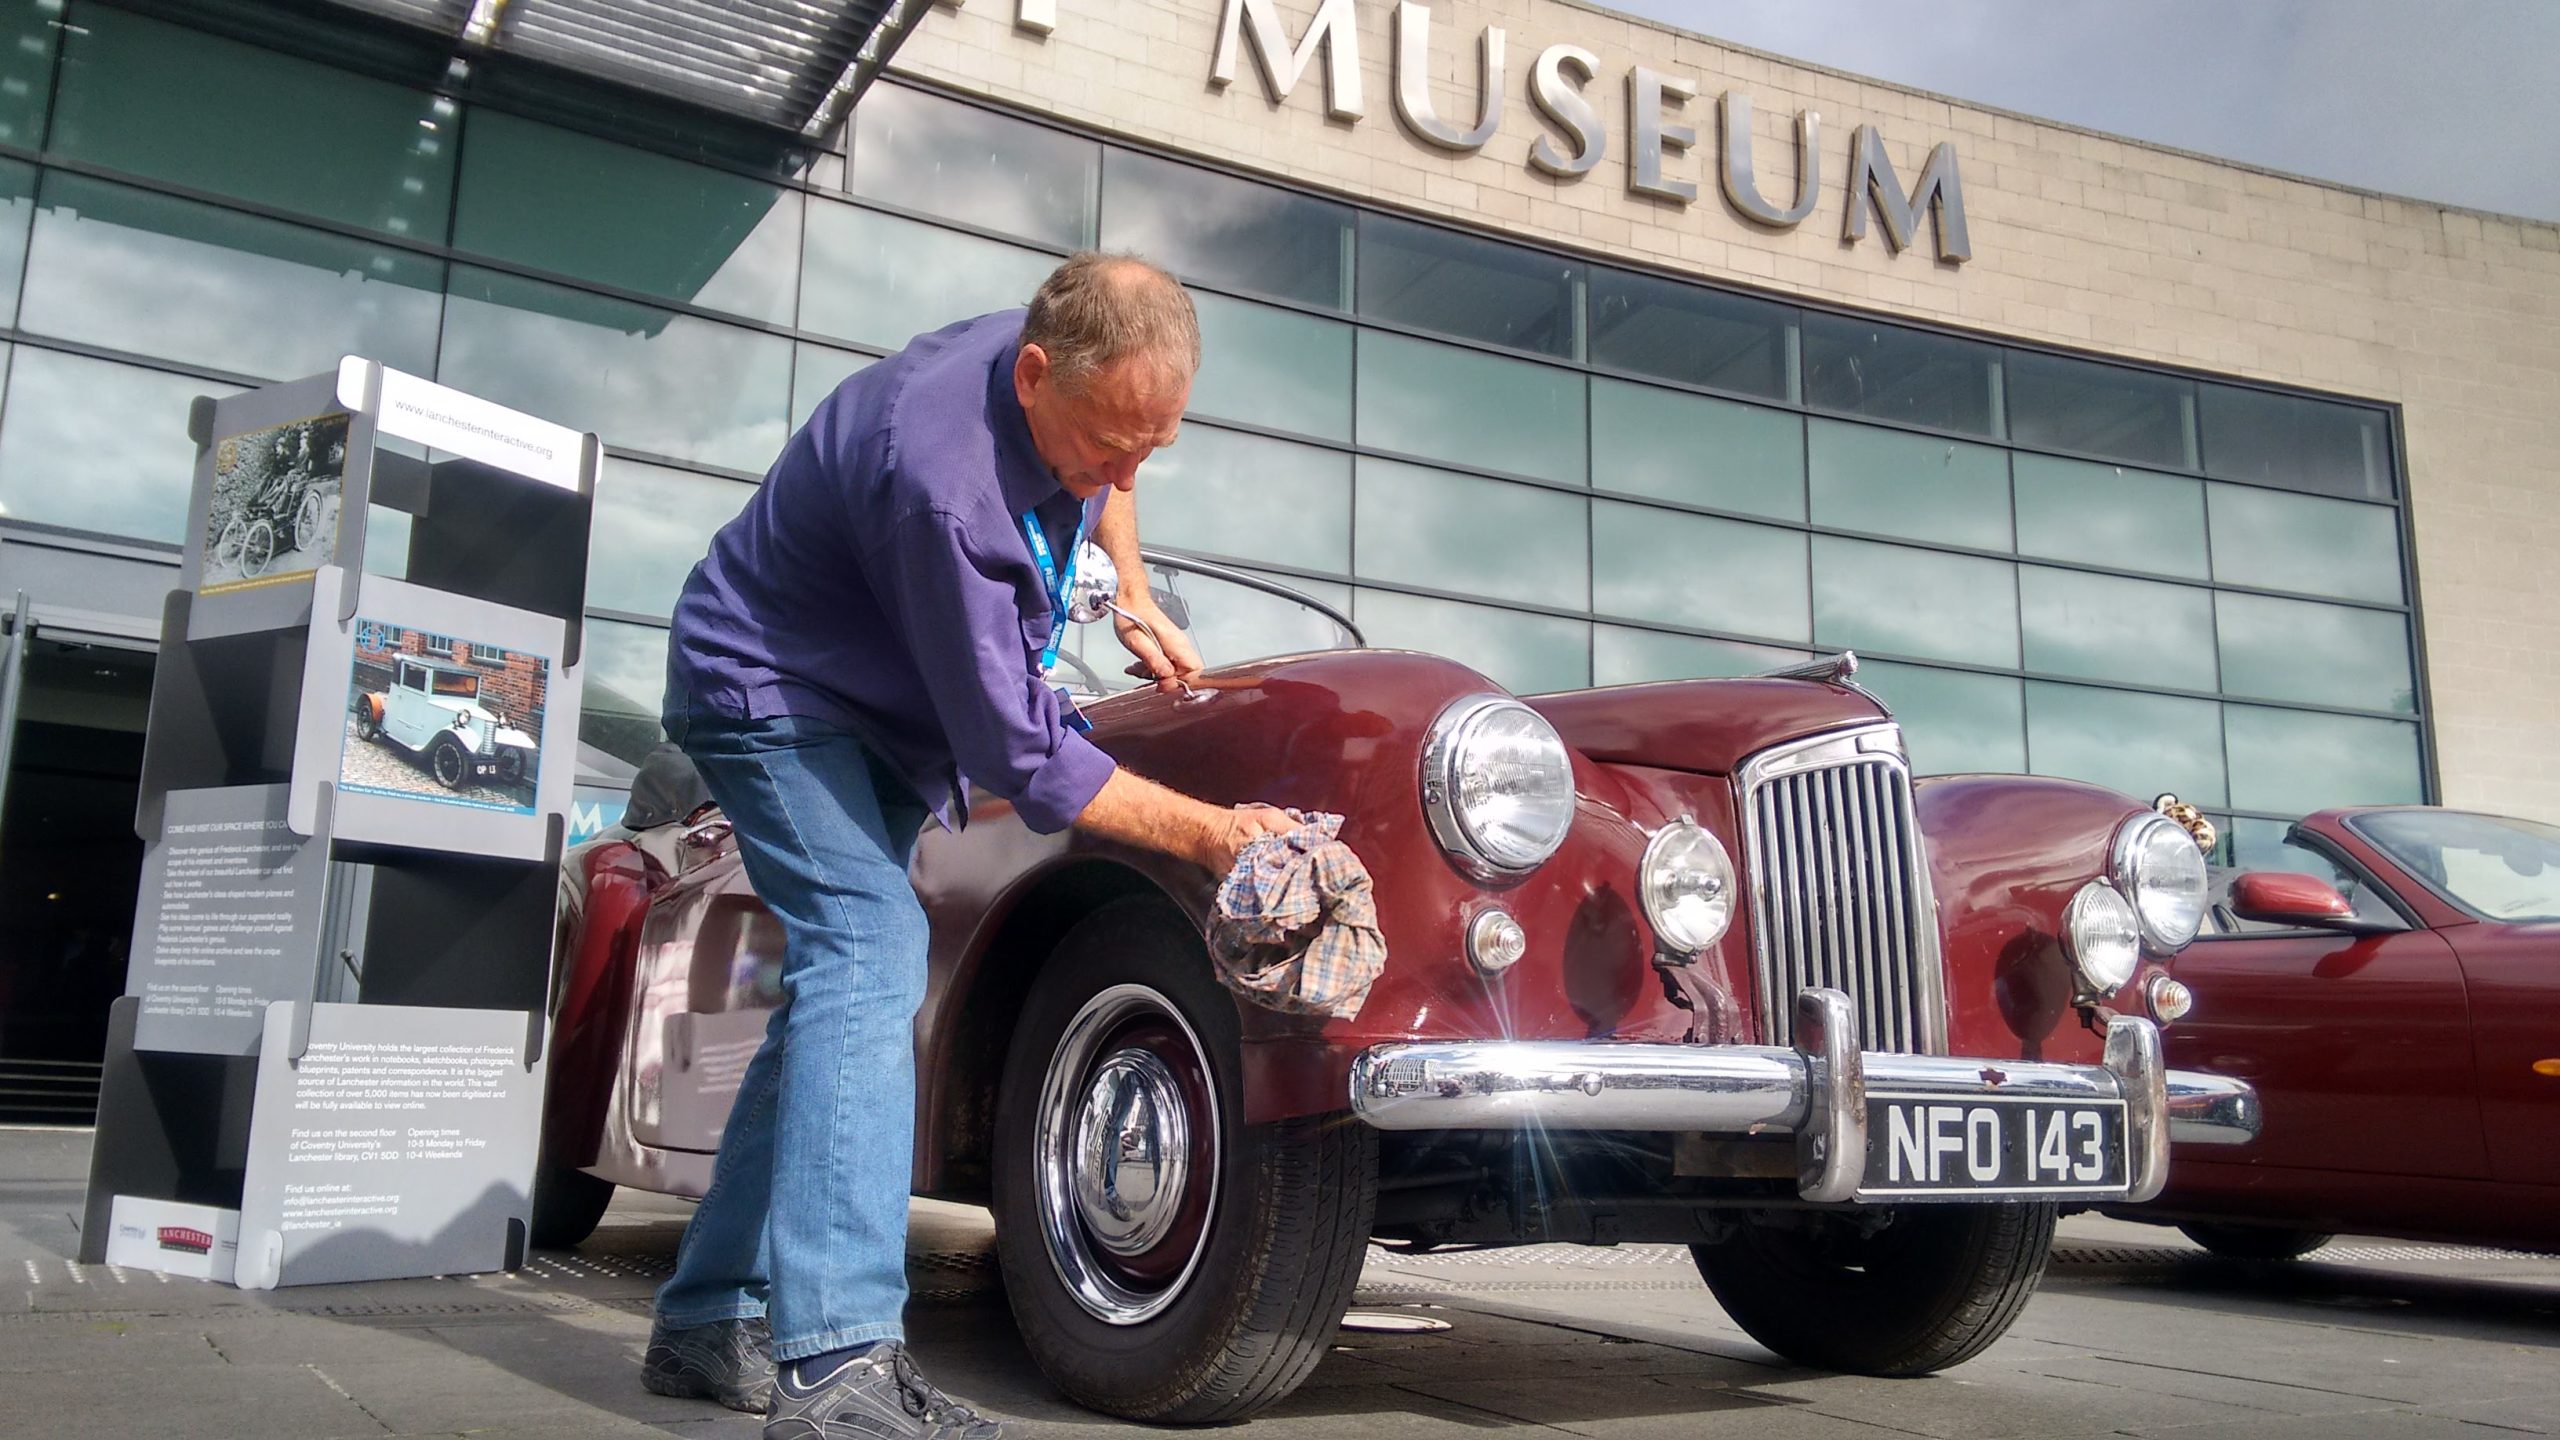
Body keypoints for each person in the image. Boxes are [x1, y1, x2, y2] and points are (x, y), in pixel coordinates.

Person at [641, 252, 1294, 1440]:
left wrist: (1130, 586)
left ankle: (704, 1319)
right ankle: (837, 1363)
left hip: (881, 712)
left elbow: (1115, 466)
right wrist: (1213, 834)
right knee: (872, 947)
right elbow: (1020, 755)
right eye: (1108, 443)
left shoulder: (1069, 366)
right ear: (1036, 374)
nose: (1125, 470)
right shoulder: (940, 483)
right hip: (768, 690)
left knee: (833, 996)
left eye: (1155, 443)